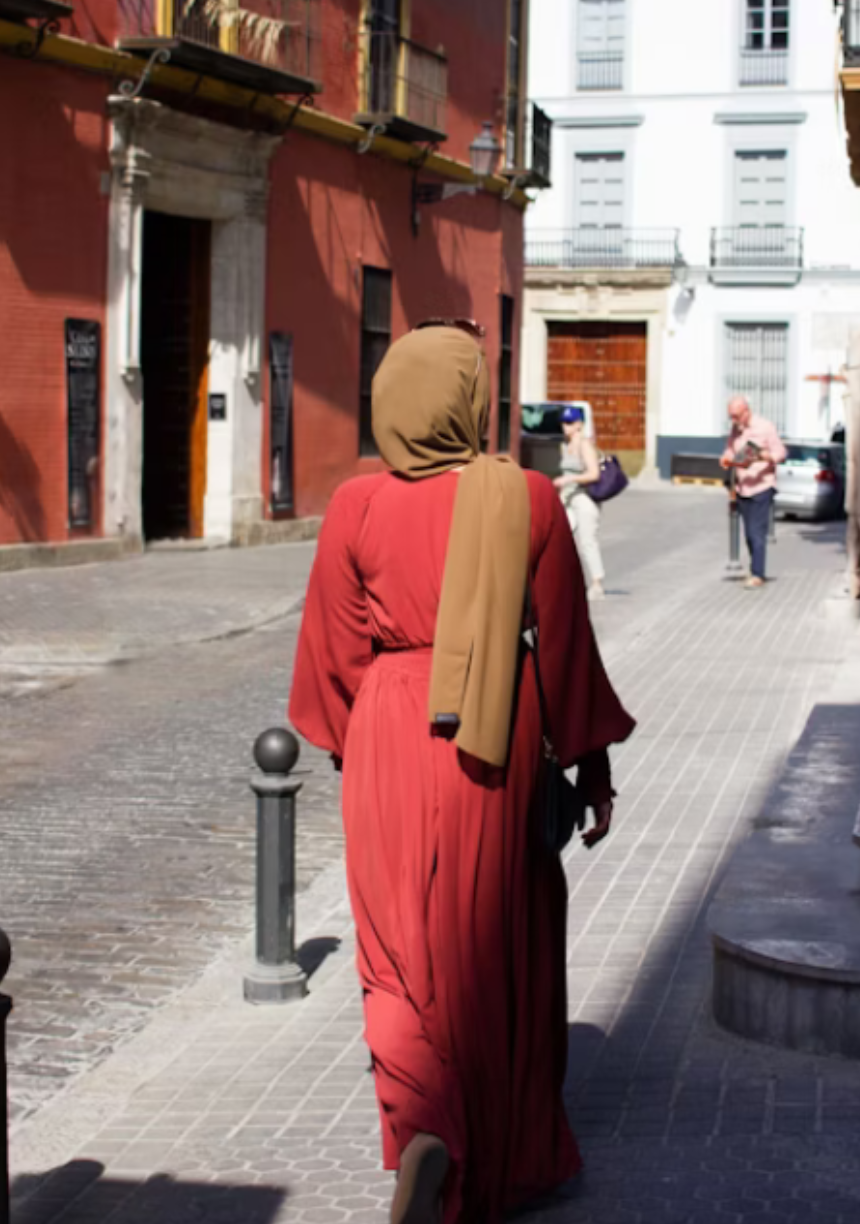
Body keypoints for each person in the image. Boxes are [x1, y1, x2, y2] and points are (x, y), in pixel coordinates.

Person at [289, 325, 636, 1224]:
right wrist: (593, 770)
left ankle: (427, 1131)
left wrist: (360, 754)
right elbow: (564, 648)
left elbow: (332, 655)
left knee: (397, 951)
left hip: (387, 728)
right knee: (491, 940)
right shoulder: (526, 497)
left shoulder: (355, 505)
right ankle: (504, 1149)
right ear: (472, 403)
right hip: (495, 731)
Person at [718, 395, 786, 588]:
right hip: (742, 487)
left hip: (761, 486)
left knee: (757, 532)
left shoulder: (765, 427)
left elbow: (781, 453)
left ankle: (758, 574)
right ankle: (754, 567)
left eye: (736, 416)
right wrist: (725, 458)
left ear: (746, 411)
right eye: (731, 416)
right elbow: (731, 450)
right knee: (749, 533)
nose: (734, 420)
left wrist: (765, 456)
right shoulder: (735, 429)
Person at [553, 405, 607, 599]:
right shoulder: (565, 445)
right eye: (563, 422)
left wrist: (569, 479)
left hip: (585, 499)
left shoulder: (585, 445)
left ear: (579, 424)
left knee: (587, 541)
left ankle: (597, 584)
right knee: (560, 540)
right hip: (567, 500)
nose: (566, 426)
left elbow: (594, 474)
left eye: (570, 422)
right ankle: (566, 581)